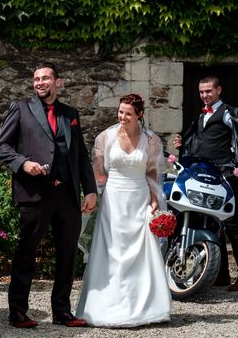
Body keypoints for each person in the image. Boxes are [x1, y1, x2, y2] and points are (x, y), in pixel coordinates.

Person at [0, 62, 97, 328]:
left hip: (67, 194)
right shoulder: (21, 108)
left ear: (58, 82)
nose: (40, 82)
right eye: (36, 79)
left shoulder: (70, 114)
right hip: (35, 194)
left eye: (46, 78)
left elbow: (81, 156)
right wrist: (23, 163)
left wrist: (90, 190)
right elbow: (1, 146)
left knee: (67, 255)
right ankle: (17, 311)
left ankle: (62, 311)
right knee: (26, 253)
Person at [76, 93, 171, 327]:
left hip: (139, 198)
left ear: (139, 114)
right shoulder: (105, 138)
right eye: (120, 112)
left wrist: (154, 198)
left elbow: (152, 172)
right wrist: (95, 195)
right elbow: (98, 172)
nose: (122, 116)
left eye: (128, 113)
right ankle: (105, 306)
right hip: (113, 200)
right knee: (111, 251)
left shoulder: (151, 140)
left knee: (141, 253)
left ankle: (144, 308)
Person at [173, 75, 238, 291]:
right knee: (211, 222)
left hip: (225, 173)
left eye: (208, 91)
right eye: (201, 92)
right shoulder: (200, 116)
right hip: (204, 173)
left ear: (219, 90)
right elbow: (200, 141)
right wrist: (183, 143)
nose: (204, 95)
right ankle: (220, 276)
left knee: (230, 222)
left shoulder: (231, 113)